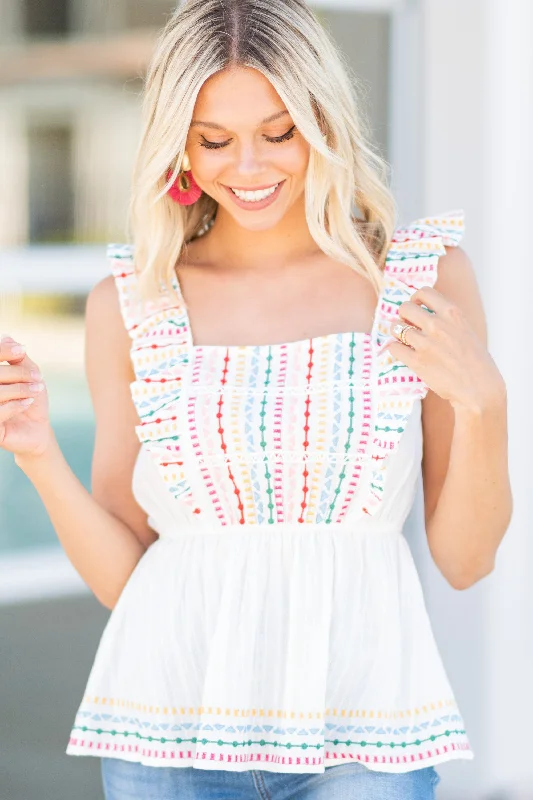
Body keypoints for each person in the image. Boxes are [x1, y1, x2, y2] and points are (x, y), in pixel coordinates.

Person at [1, 0, 512, 797]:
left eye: (279, 133)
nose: (248, 167)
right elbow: (124, 579)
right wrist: (36, 451)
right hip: (165, 732)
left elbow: (465, 559)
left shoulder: (418, 280)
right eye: (213, 140)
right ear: (178, 143)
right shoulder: (134, 303)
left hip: (362, 730)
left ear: (325, 122)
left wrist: (485, 406)